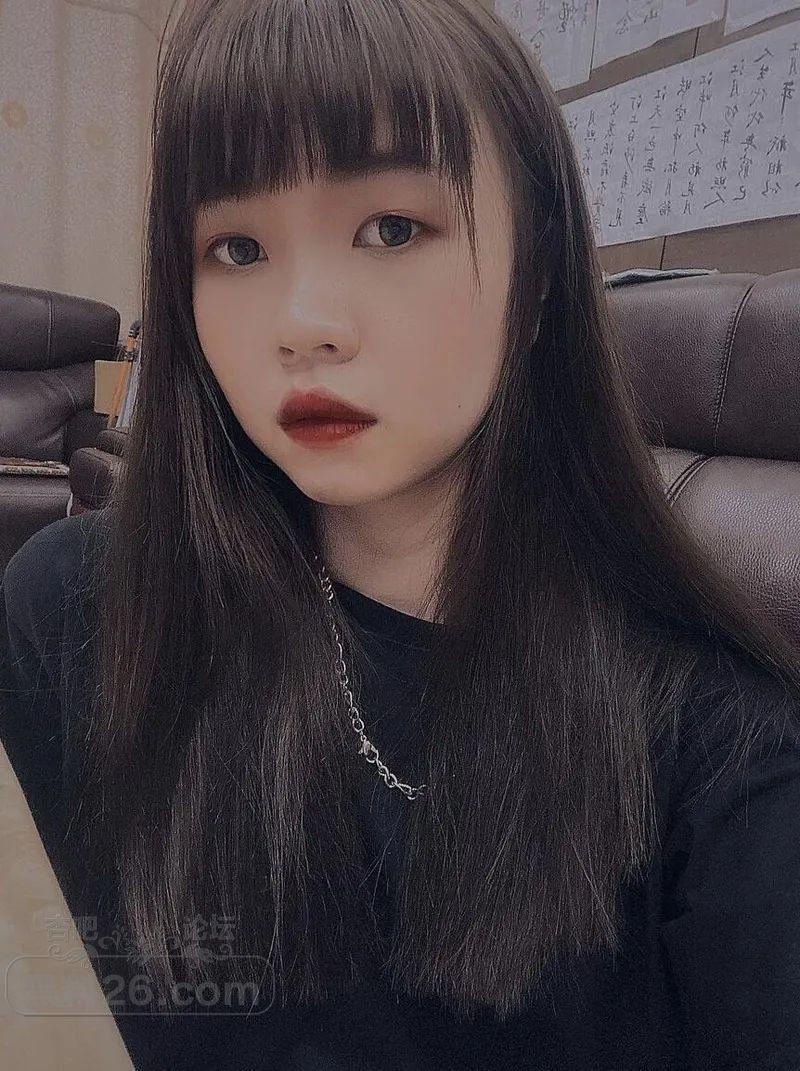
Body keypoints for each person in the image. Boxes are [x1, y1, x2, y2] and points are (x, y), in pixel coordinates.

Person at [2, 0, 800, 1067]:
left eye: (390, 229)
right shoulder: (78, 611)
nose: (302, 322)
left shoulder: (724, 758)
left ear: (538, 271)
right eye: (236, 246)